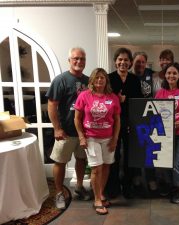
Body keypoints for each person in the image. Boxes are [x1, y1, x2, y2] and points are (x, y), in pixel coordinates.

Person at [46, 47, 90, 209]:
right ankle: (59, 193)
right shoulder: (61, 80)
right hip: (65, 132)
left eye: (82, 59)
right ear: (69, 60)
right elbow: (51, 105)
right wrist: (57, 128)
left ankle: (79, 186)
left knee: (81, 160)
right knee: (60, 162)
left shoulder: (88, 81)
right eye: (76, 58)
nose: (79, 62)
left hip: (83, 132)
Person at [74, 68, 121, 215]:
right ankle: (97, 200)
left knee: (106, 166)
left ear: (106, 80)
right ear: (92, 80)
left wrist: (115, 138)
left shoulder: (112, 97)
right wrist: (81, 136)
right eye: (97, 78)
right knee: (96, 169)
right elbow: (77, 118)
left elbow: (117, 120)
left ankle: (100, 193)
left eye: (102, 78)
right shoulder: (84, 96)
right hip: (91, 138)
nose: (100, 80)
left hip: (108, 139)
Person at [155, 62, 179, 204]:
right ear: (165, 75)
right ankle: (169, 185)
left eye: (174, 73)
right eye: (168, 73)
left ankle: (178, 189)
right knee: (165, 161)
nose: (171, 75)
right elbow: (156, 112)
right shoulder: (161, 93)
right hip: (165, 133)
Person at [106, 47, 143, 199]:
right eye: (120, 59)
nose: (123, 62)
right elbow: (104, 100)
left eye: (126, 60)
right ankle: (113, 186)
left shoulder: (135, 79)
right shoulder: (108, 78)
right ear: (115, 62)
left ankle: (127, 186)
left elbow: (138, 102)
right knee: (114, 155)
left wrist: (132, 122)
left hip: (129, 123)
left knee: (129, 155)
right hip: (112, 123)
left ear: (130, 63)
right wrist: (118, 100)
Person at [131, 51, 158, 194]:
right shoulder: (129, 77)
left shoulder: (153, 75)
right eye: (137, 62)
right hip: (134, 118)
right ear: (132, 63)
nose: (140, 64)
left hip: (149, 118)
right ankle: (136, 179)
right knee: (136, 149)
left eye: (143, 62)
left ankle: (151, 179)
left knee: (149, 149)